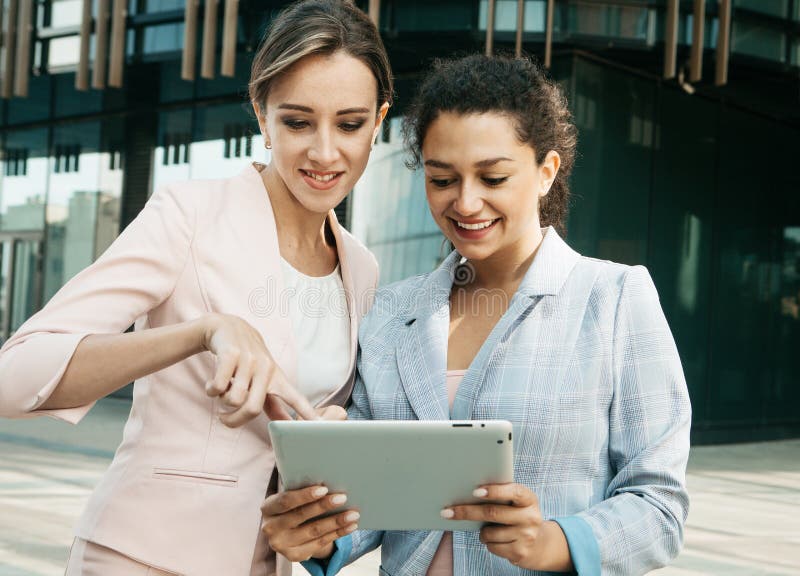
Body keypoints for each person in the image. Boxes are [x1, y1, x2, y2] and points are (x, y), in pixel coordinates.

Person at [260, 54, 691, 576]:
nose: (466, 203)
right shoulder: (393, 311)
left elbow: (659, 505)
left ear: (545, 172)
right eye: (443, 180)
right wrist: (320, 536)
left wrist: (553, 541)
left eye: (492, 177)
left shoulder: (616, 298)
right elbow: (378, 500)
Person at [0, 1, 391, 574]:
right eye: (297, 121)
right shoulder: (188, 215)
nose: (325, 152)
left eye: (350, 124)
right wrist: (203, 334)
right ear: (262, 116)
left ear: (378, 122)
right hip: (141, 556)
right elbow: (15, 375)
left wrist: (331, 437)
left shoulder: (362, 268)